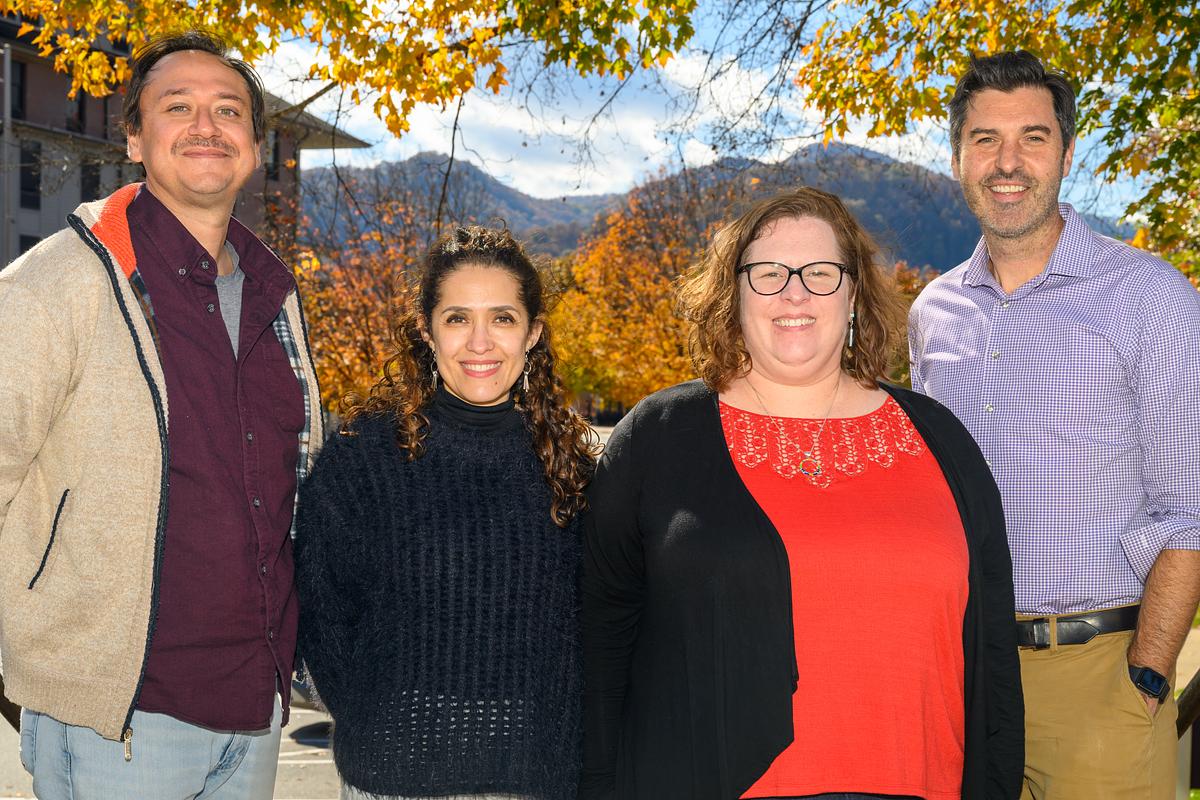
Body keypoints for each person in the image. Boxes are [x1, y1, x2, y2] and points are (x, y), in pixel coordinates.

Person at [580, 186, 1023, 800]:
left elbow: (995, 654)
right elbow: (600, 640)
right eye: (767, 273)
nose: (794, 292)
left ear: (854, 295)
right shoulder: (659, 438)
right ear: (732, 296)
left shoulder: (940, 439)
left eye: (820, 273)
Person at [0, 30, 323, 799]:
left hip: (254, 705)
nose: (206, 126)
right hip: (121, 720)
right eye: (177, 107)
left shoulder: (278, 297)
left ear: (253, 143)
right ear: (136, 139)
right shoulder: (56, 284)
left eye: (229, 109)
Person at [908, 50, 1200, 800]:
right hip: (964, 677)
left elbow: (1190, 510)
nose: (1008, 162)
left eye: (1032, 138)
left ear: (1067, 154)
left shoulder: (1151, 297)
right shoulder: (930, 314)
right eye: (985, 140)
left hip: (1100, 677)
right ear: (957, 158)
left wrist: (1149, 668)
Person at [294, 225, 598, 800]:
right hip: (396, 780)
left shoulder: (571, 468)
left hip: (538, 782)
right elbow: (319, 612)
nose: (479, 342)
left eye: (502, 318)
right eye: (458, 318)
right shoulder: (364, 461)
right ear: (426, 332)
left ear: (532, 333)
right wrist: (371, 719)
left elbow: (593, 632)